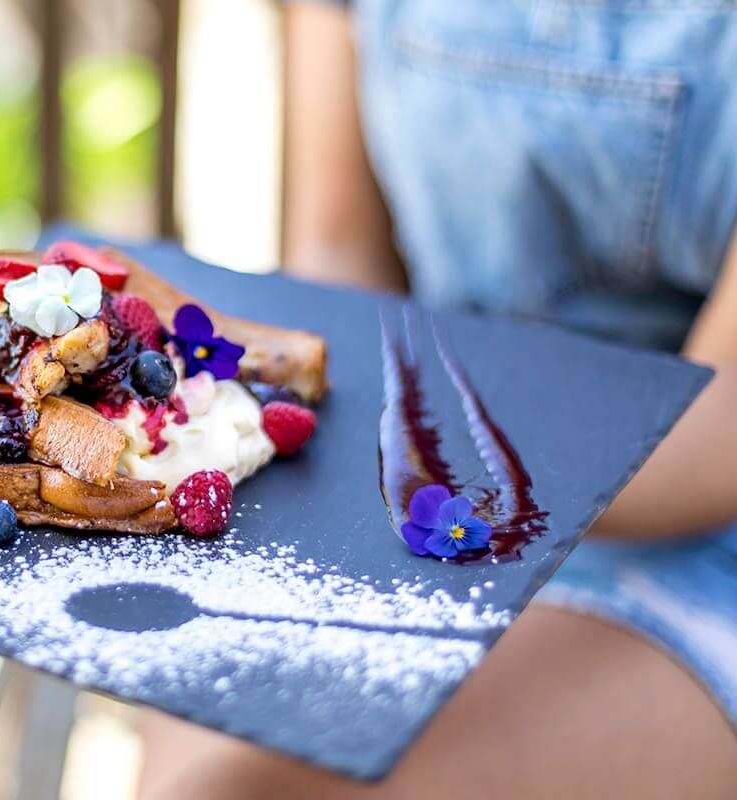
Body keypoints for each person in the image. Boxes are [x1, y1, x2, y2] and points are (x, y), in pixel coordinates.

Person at [138, 3, 737, 797]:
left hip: (680, 521)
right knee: (195, 767)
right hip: (406, 487)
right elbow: (337, 264)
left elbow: (723, 426)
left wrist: (438, 477)